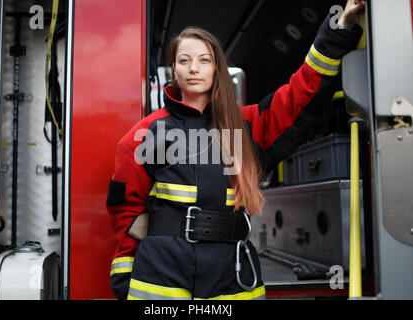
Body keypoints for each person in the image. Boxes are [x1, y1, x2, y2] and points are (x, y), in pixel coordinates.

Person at [107, 0, 365, 300]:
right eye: (184, 60)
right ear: (172, 71)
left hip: (232, 274)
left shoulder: (248, 125)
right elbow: (126, 212)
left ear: (218, 68)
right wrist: (125, 277)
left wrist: (338, 27)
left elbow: (300, 95)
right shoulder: (142, 136)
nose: (193, 68)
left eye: (204, 60)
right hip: (161, 275)